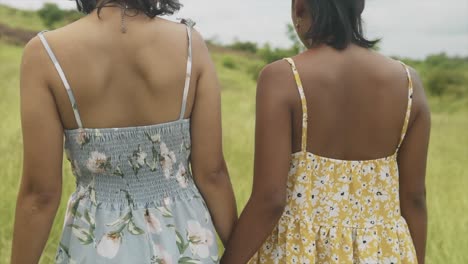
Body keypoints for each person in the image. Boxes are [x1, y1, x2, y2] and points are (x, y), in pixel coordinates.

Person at [11, 0, 237, 263]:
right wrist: (244, 253)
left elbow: (40, 194)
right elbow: (212, 174)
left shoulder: (45, 53)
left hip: (98, 240)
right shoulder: (190, 43)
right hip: (186, 237)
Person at [221, 0, 430, 263]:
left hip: (301, 252)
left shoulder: (283, 77)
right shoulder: (409, 82)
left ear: (299, 8)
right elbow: (414, 198)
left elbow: (270, 198)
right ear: (360, 7)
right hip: (384, 253)